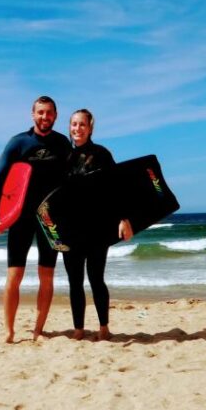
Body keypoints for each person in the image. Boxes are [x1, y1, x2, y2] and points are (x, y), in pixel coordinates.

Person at [0, 96, 72, 343]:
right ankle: (9, 331)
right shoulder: (18, 143)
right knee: (14, 275)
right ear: (32, 114)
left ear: (55, 116)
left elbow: (72, 180)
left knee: (46, 276)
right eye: (40, 112)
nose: (44, 117)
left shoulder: (62, 143)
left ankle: (38, 330)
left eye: (49, 113)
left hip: (50, 218)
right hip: (21, 217)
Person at [63, 109, 132, 341]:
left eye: (82, 124)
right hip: (70, 229)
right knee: (74, 282)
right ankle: (79, 329)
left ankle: (103, 327)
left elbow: (118, 185)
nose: (77, 129)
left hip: (97, 228)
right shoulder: (65, 157)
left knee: (95, 278)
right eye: (74, 124)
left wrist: (124, 219)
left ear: (90, 127)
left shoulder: (102, 154)